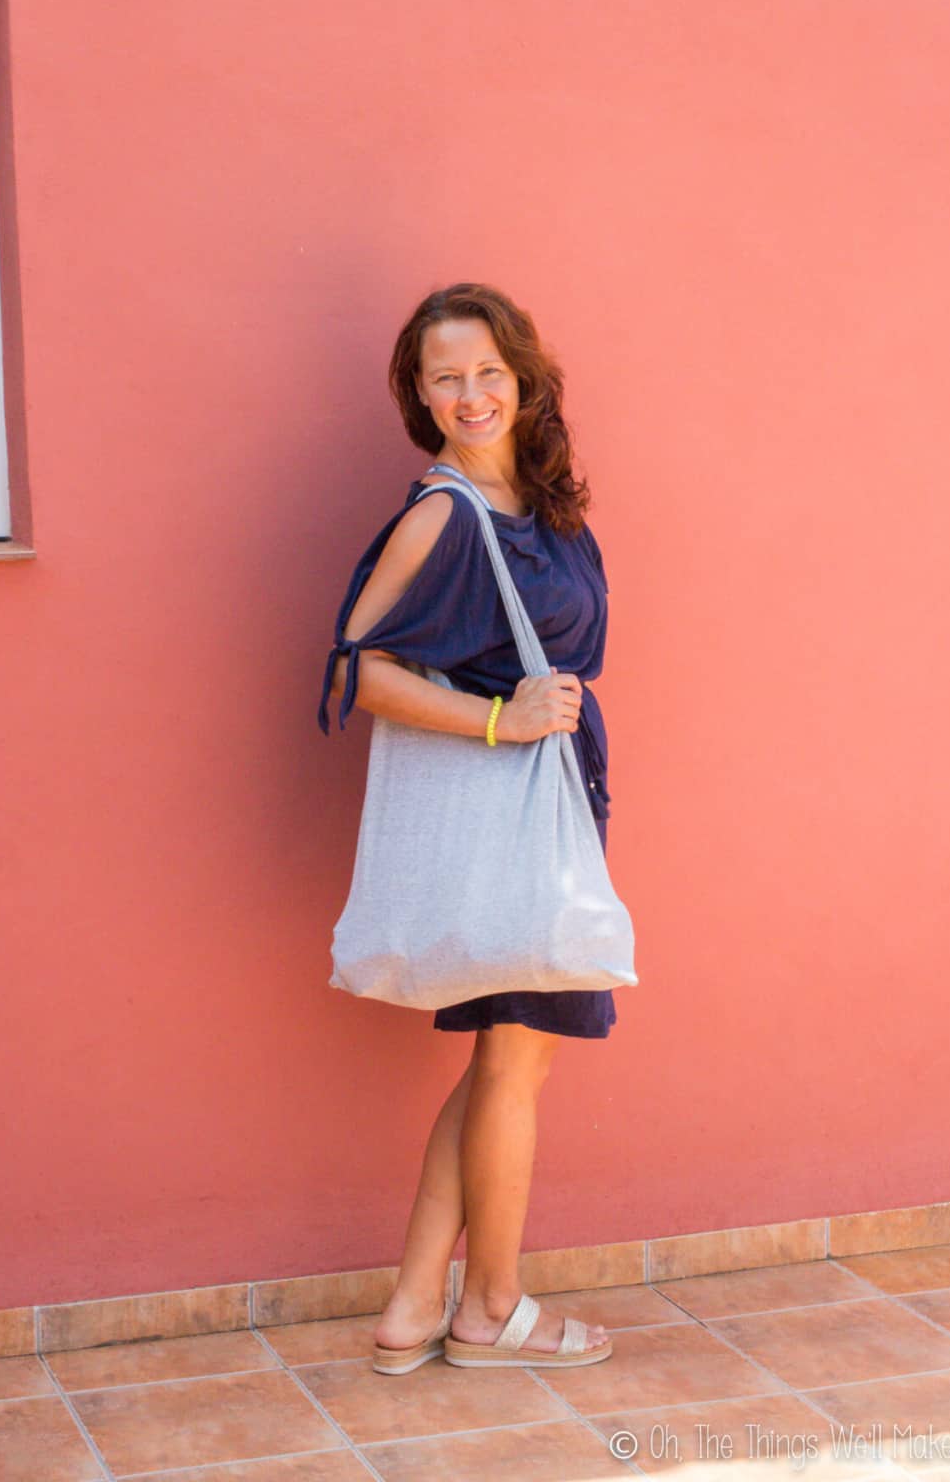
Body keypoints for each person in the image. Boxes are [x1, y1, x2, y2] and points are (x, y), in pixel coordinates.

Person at [318, 282, 618, 1371]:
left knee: (503, 1067)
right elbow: (361, 668)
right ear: (419, 394)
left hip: (548, 811)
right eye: (446, 376)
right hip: (512, 818)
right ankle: (491, 1307)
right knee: (513, 1069)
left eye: (489, 370)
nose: (472, 392)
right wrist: (499, 718)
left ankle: (410, 1308)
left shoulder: (542, 507)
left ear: (524, 377)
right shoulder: (444, 513)